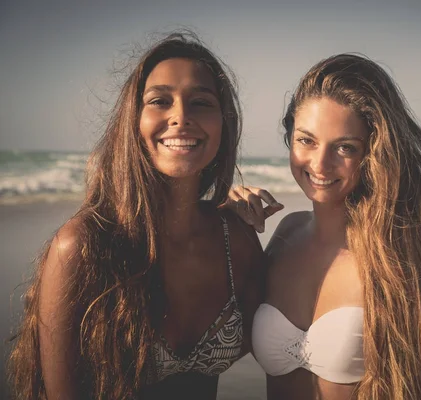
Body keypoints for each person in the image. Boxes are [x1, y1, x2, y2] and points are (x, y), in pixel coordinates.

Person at [8, 32, 264, 400]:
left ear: (223, 125)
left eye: (201, 103)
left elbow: (289, 334)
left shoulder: (235, 239)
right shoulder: (83, 246)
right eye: (160, 100)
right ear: (133, 121)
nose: (181, 117)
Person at [227, 53, 421, 400]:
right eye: (306, 140)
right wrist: (227, 223)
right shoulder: (286, 233)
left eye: (345, 147)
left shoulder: (414, 255)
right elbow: (219, 335)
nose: (320, 163)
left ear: (375, 152)